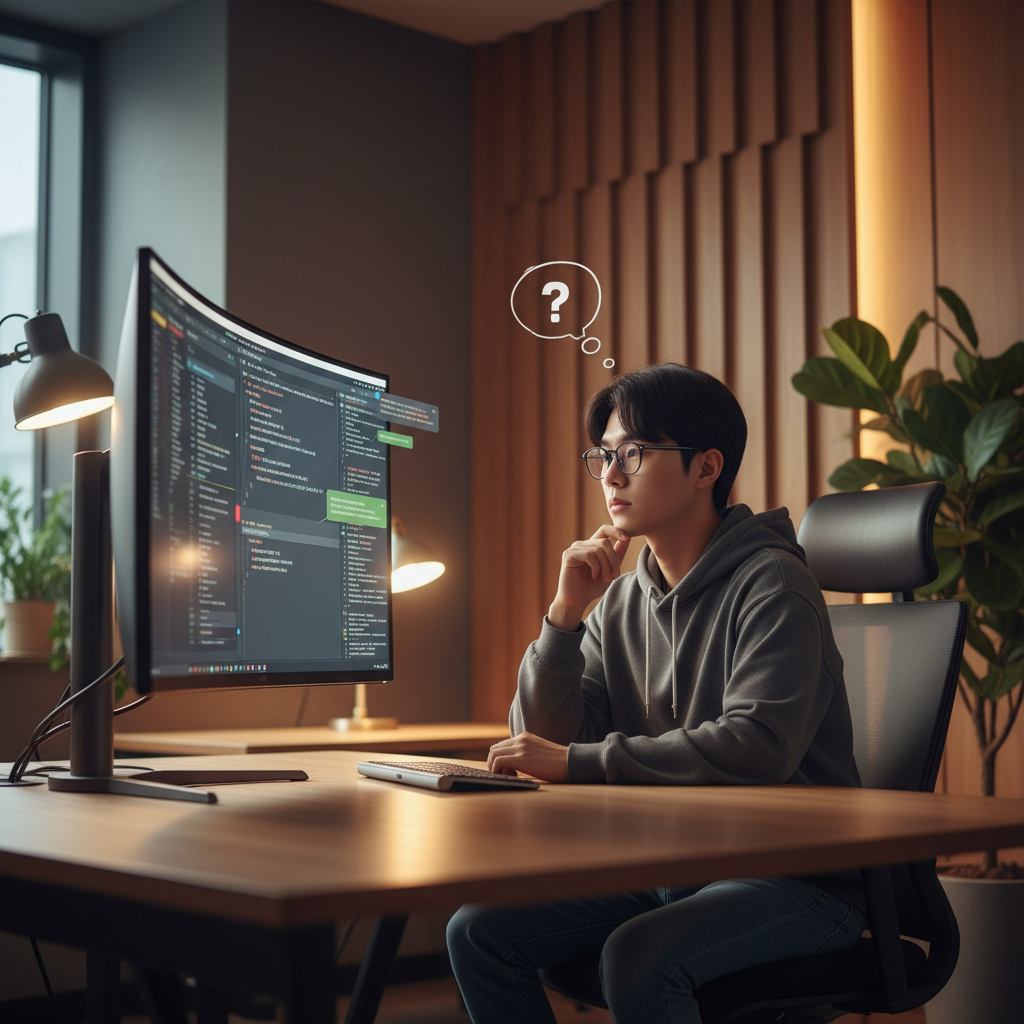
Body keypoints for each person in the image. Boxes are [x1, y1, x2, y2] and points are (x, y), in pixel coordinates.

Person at [446, 363, 865, 1024]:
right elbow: (550, 739)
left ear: (706, 468)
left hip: (798, 878)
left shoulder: (774, 585)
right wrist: (563, 617)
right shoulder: (619, 602)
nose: (612, 474)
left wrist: (581, 763)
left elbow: (760, 746)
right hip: (680, 871)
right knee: (478, 931)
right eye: (605, 456)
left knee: (639, 957)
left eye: (634, 454)